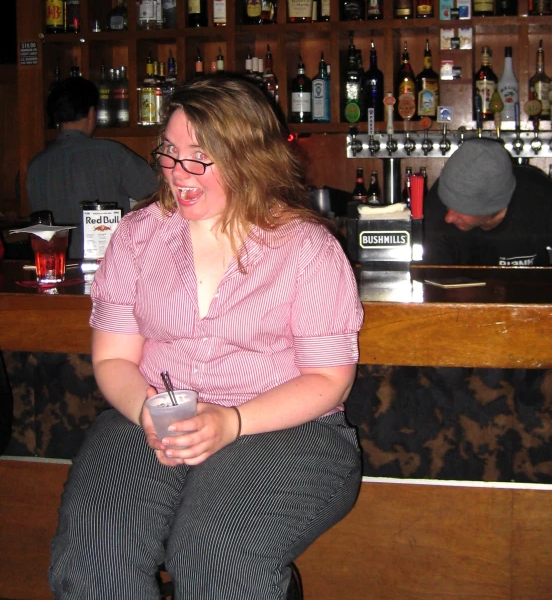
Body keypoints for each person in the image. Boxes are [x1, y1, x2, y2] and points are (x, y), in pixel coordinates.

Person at [48, 74, 364, 599]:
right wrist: (144, 410)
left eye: (200, 157)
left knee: (211, 549)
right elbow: (113, 360)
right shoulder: (136, 236)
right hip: (150, 419)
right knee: (92, 548)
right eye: (170, 153)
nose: (177, 173)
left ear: (248, 157)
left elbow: (329, 379)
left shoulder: (307, 248)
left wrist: (232, 421)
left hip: (286, 429)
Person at [26, 76, 158, 259]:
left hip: (57, 267)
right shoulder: (113, 154)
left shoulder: (35, 166)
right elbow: (159, 196)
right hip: (113, 266)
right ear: (91, 114)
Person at [423, 138, 552, 266]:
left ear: (494, 205)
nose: (448, 218)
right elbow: (436, 280)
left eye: (461, 210)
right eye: (447, 206)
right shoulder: (436, 207)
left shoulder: (541, 199)